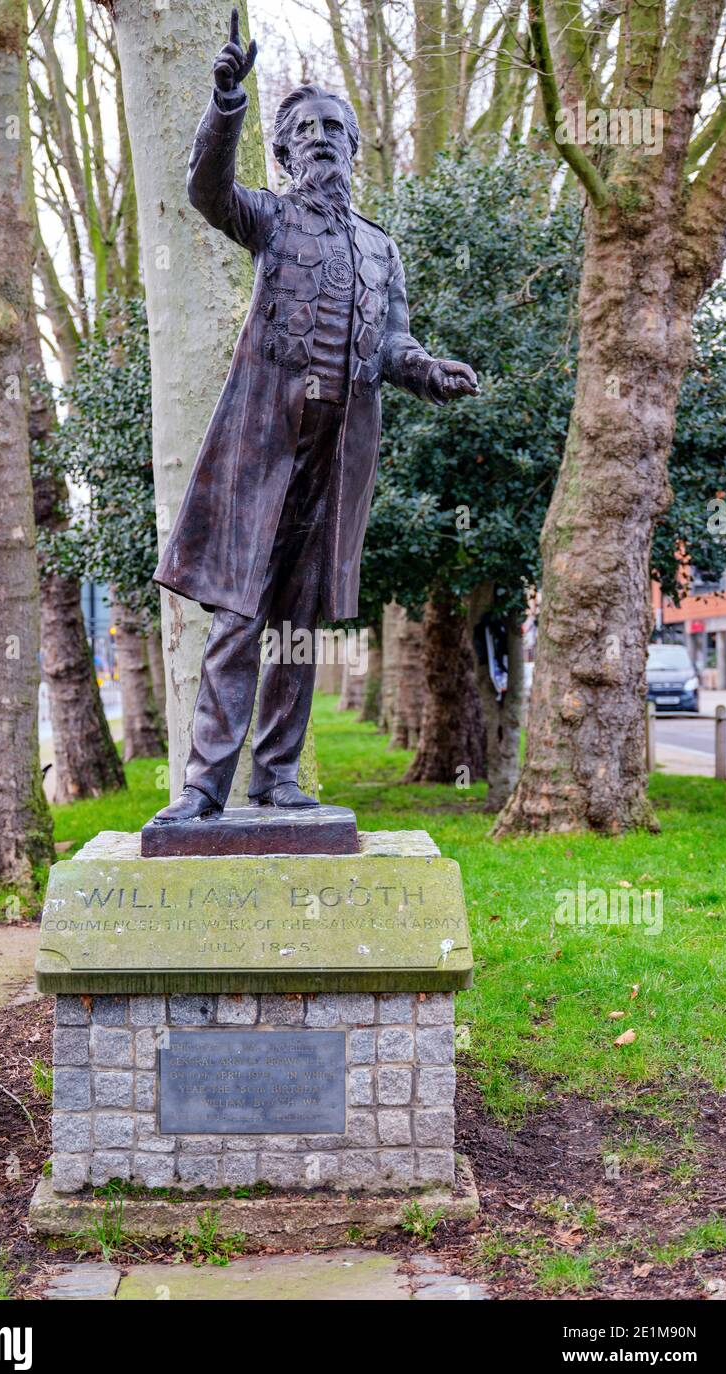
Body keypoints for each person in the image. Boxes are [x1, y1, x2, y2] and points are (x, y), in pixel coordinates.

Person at [154, 9, 478, 822]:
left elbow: (393, 340)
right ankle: (202, 788)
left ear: (357, 148)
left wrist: (428, 371)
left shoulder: (381, 248)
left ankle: (278, 777)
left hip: (336, 462)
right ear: (286, 150)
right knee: (237, 616)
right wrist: (227, 103)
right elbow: (207, 191)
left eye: (336, 127)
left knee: (298, 625)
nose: (323, 136)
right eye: (306, 128)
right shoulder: (268, 218)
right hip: (261, 454)